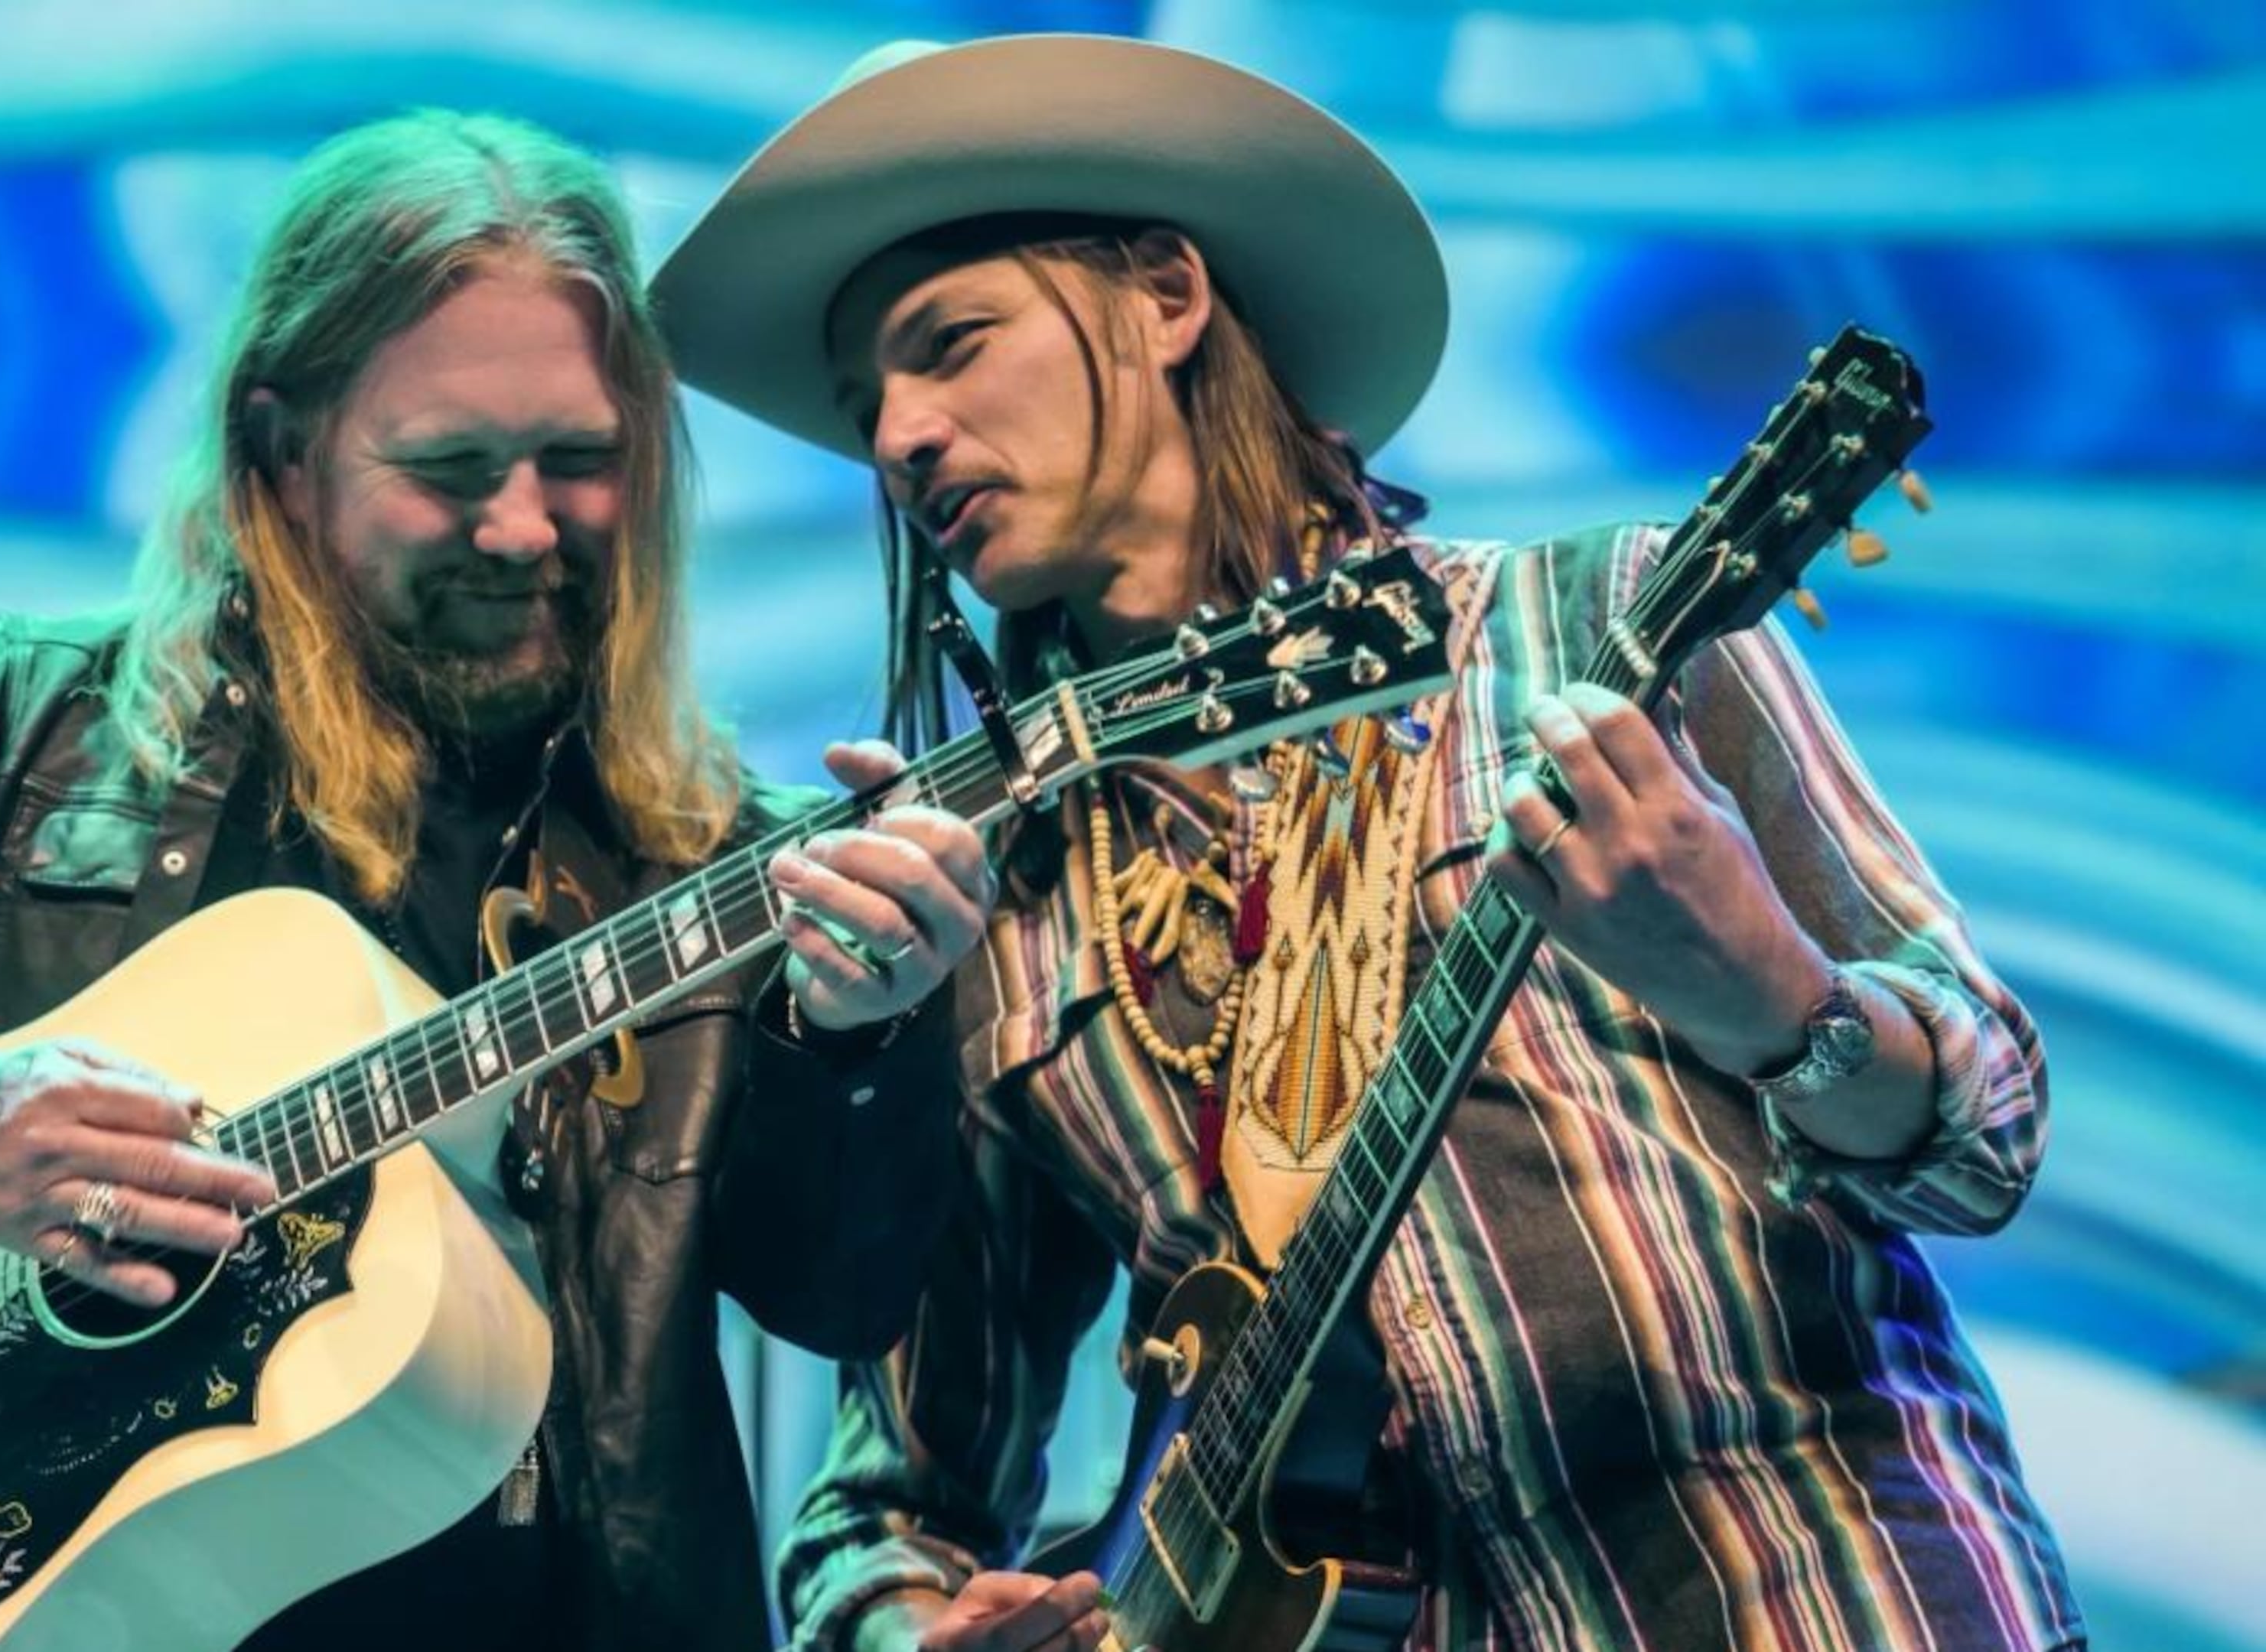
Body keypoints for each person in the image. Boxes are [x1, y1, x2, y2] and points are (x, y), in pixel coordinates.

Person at [0, 109, 993, 1652]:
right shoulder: (30, 729)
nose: (526, 527)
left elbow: (837, 1299)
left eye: (582, 461)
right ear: (282, 449)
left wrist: (864, 1031)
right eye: (449, 466)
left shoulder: (721, 865)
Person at [654, 34, 2083, 1652]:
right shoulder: (990, 896)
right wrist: (916, 1633)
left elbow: (1990, 1144)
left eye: (952, 346)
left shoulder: (1596, 625)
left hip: (1813, 1592)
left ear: (1168, 293)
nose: (901, 437)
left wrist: (1775, 998)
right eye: (868, 406)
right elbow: (883, 1506)